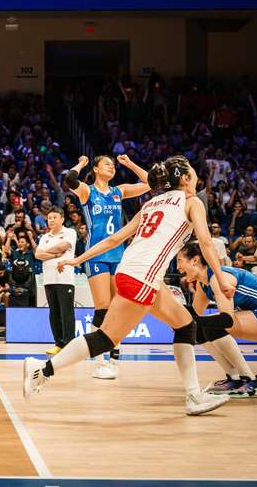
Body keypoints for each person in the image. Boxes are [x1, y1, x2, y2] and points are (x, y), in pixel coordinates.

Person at [26, 156, 234, 416]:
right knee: (106, 338)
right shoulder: (191, 202)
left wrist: (78, 259)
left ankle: (193, 395)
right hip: (143, 277)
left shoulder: (152, 202)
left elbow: (114, 239)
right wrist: (222, 278)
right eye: (192, 173)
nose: (196, 178)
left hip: (129, 269)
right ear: (184, 178)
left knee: (185, 324)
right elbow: (205, 242)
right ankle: (42, 370)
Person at [63, 154, 150, 379]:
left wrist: (130, 164)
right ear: (97, 168)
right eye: (107, 164)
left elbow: (150, 184)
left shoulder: (117, 191)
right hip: (97, 255)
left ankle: (114, 357)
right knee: (102, 307)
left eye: (113, 165)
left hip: (118, 255)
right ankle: (99, 359)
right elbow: (69, 179)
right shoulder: (87, 191)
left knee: (116, 308)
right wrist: (81, 164)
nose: (111, 167)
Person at [177, 241, 257, 397]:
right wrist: (171, 311)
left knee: (211, 325)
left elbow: (226, 320)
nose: (178, 267)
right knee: (198, 327)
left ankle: (251, 381)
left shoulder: (219, 278)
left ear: (195, 260)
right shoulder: (203, 284)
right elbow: (194, 314)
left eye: (179, 261)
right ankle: (234, 379)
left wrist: (189, 321)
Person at [35, 206, 77, 355]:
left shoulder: (70, 232)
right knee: (54, 313)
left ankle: (70, 346)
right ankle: (59, 343)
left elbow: (64, 246)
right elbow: (37, 255)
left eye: (54, 217)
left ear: (62, 219)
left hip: (65, 279)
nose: (51, 220)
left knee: (67, 312)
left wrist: (46, 252)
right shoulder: (45, 237)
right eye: (49, 218)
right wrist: (55, 255)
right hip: (49, 279)